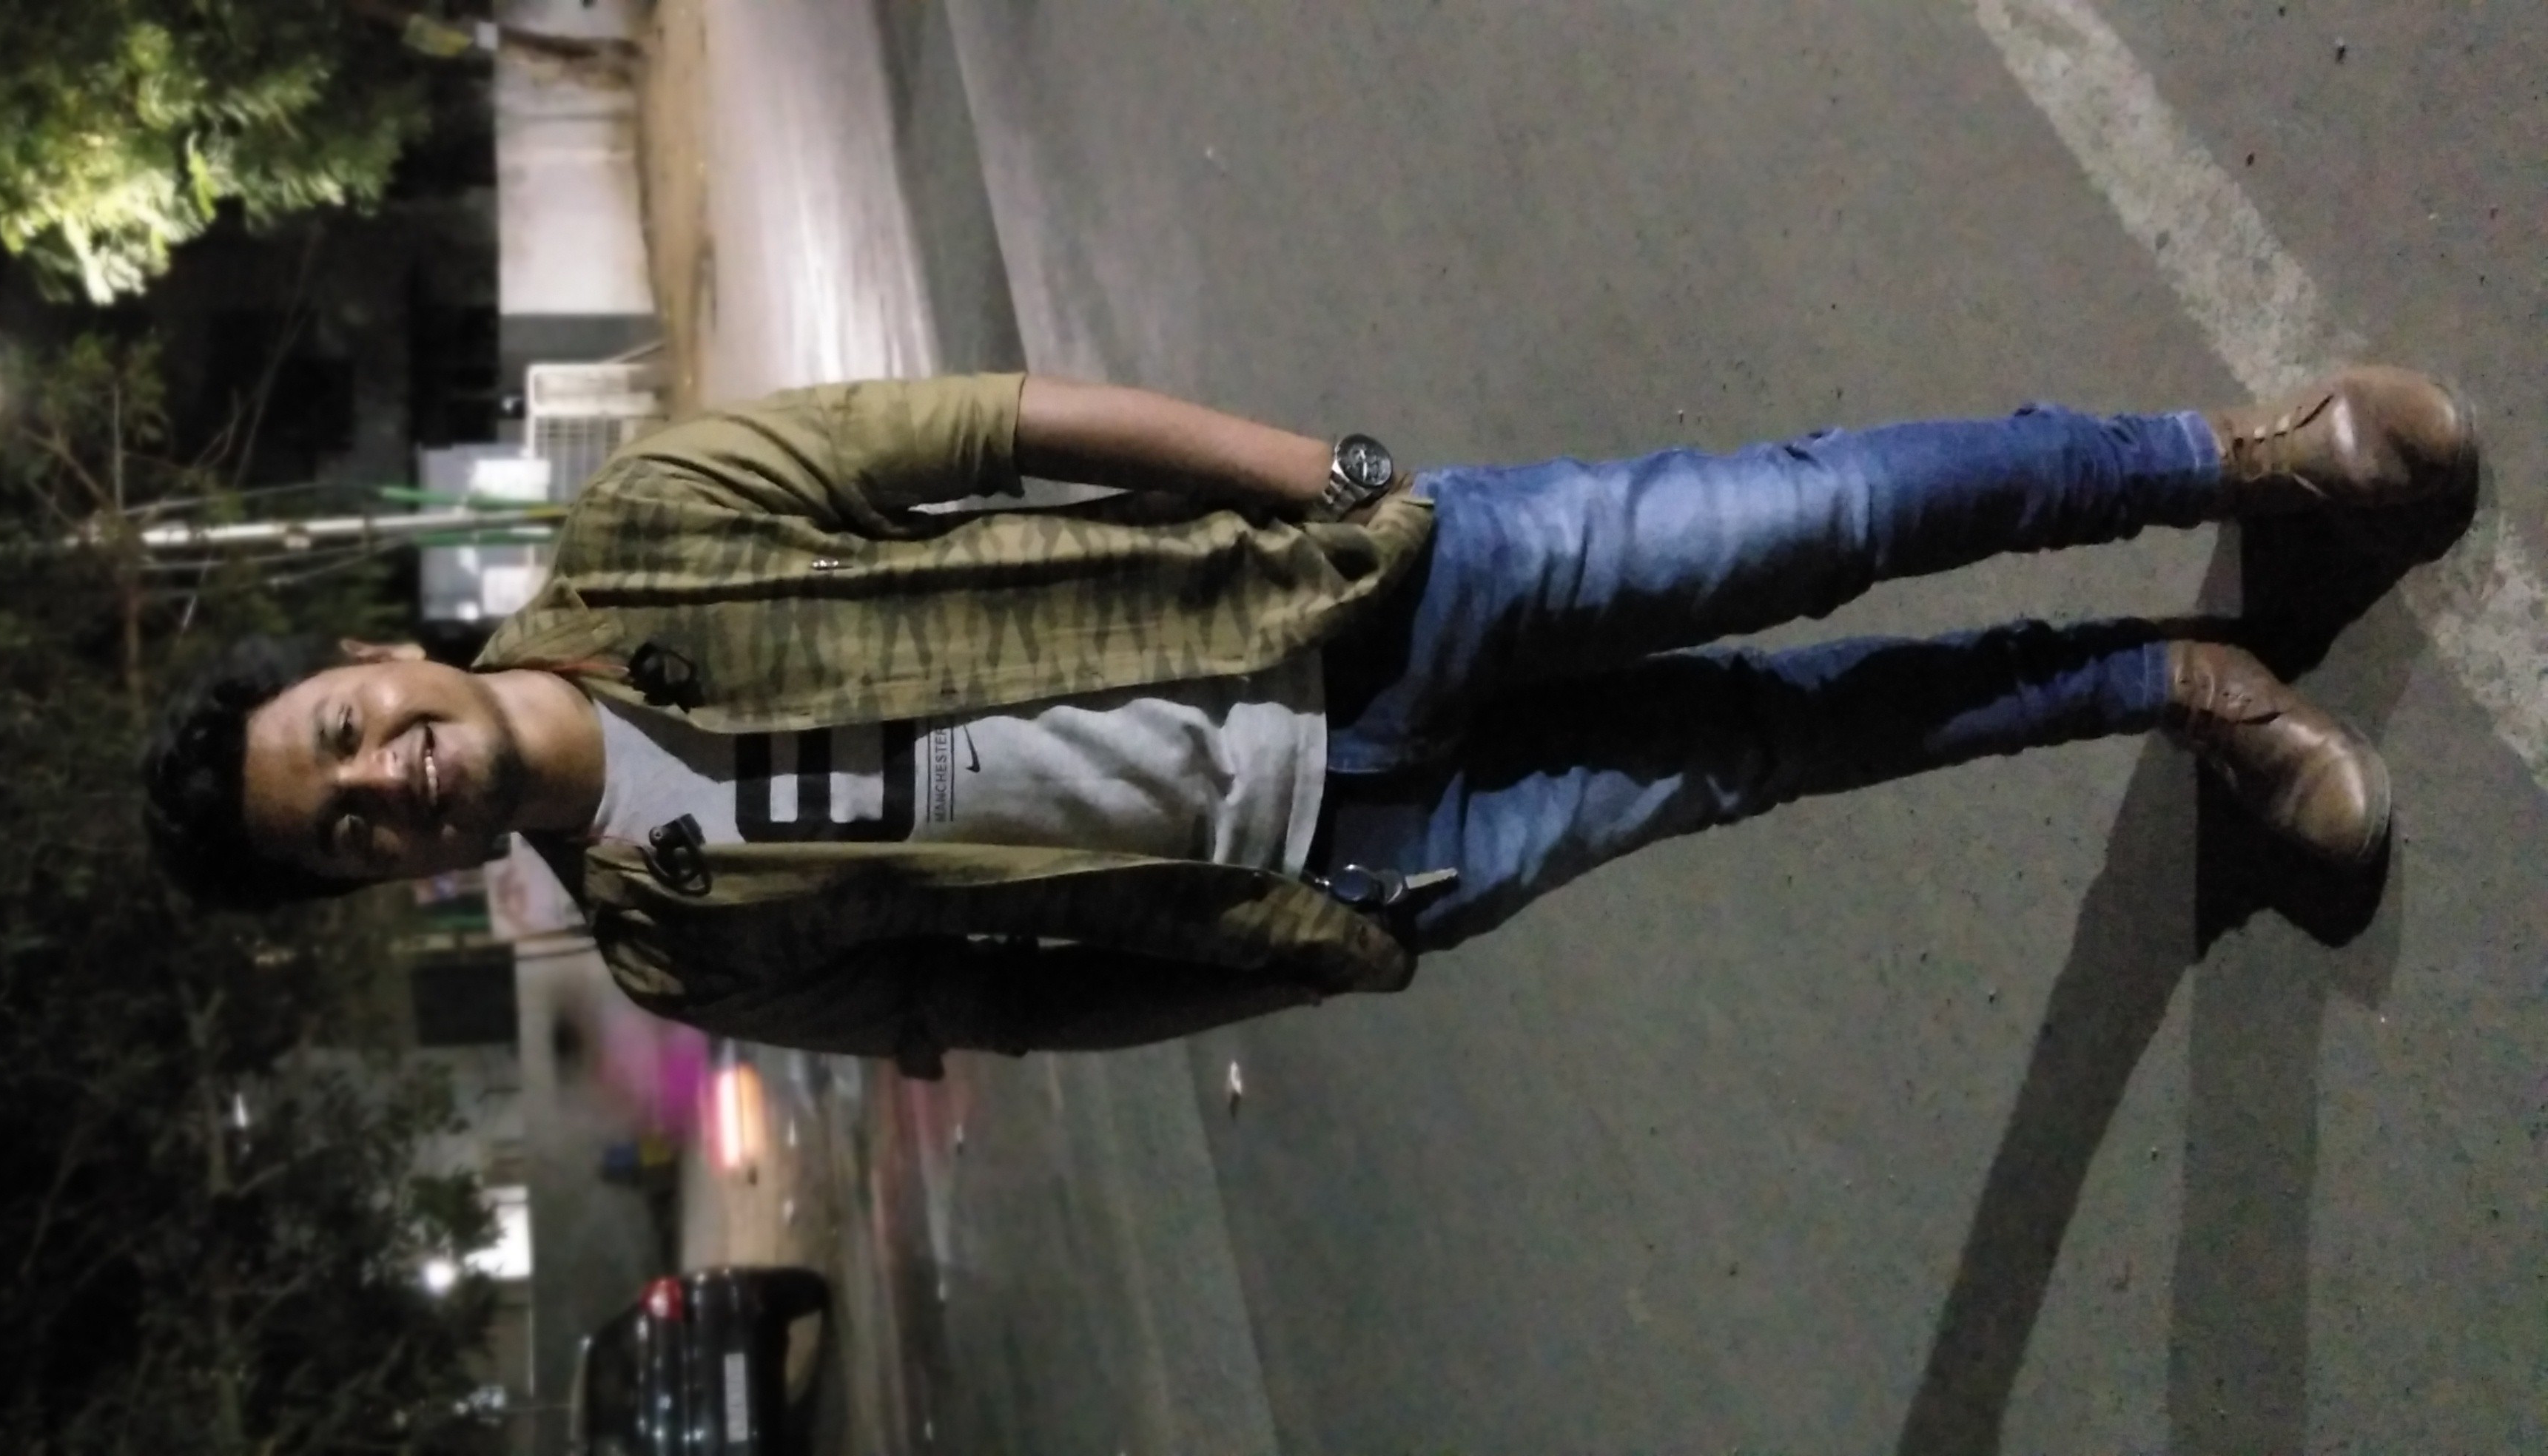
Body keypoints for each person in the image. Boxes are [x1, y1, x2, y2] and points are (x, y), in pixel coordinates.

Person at [143, 368, 2475, 1076]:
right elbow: (989, 1002)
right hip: (1343, 859)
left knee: (1819, 520)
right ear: (385, 880)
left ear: (375, 661)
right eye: (345, 825)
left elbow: (998, 425)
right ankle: (2173, 685)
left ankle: (2238, 460)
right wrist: (1302, 958)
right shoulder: (675, 951)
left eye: (342, 732)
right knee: (1777, 741)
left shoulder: (653, 524)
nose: (383, 779)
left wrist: (1338, 482)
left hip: (1353, 599)